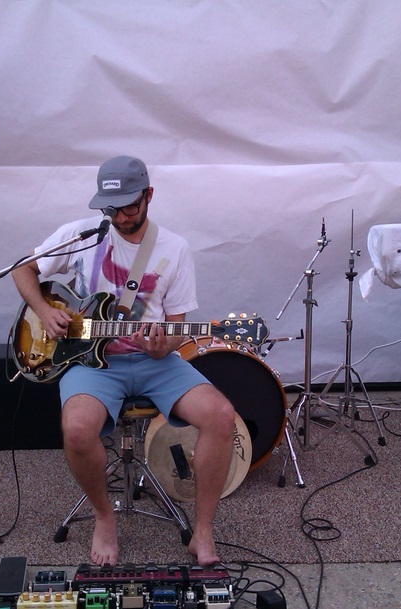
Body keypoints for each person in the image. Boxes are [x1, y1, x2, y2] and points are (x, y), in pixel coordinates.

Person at [12, 155, 236, 567]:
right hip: (88, 362)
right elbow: (22, 269)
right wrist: (45, 312)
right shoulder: (80, 234)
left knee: (221, 415)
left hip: (153, 362)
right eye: (111, 208)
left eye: (130, 206)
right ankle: (103, 516)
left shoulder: (174, 249)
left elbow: (175, 328)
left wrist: (163, 345)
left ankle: (202, 531)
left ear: (149, 196)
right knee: (77, 429)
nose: (119, 217)